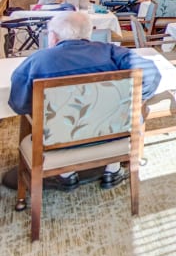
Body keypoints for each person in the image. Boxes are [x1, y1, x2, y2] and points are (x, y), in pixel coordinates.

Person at [8, 12, 162, 189]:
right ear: (89, 33)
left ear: (54, 36)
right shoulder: (111, 52)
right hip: (112, 133)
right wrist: (130, 100)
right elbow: (151, 74)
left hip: (56, 139)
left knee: (41, 120)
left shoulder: (37, 60)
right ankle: (112, 169)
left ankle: (66, 174)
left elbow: (19, 104)